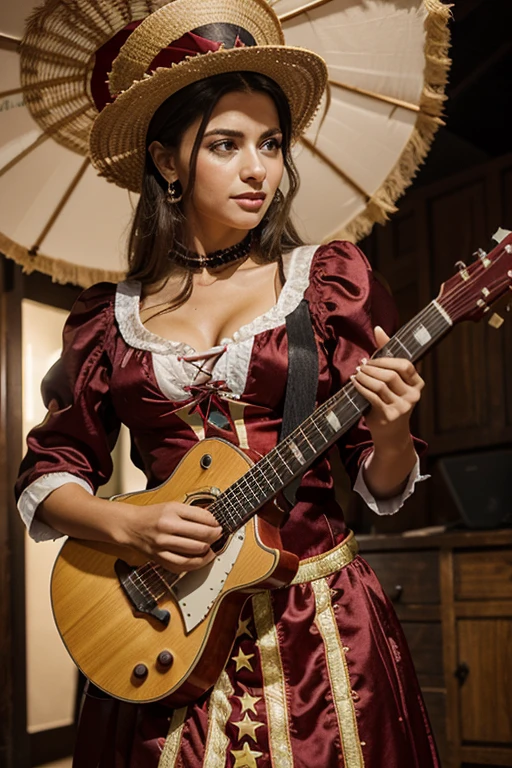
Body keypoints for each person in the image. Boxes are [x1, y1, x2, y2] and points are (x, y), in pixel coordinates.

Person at [16, 1, 439, 766]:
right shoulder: (108, 319)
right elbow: (48, 472)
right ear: (168, 162)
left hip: (320, 629)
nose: (258, 169)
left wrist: (391, 431)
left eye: (271, 143)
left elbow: (382, 482)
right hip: (157, 632)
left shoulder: (328, 283)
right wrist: (129, 528)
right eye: (226, 144)